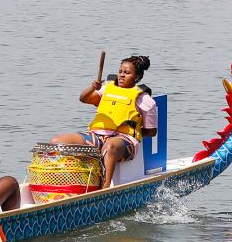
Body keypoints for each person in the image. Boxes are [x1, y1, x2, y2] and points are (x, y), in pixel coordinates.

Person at [50, 55, 158, 189]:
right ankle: (65, 185)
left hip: (124, 142)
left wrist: (130, 131)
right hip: (97, 136)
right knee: (57, 142)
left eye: (127, 73)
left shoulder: (144, 99)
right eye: (120, 71)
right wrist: (93, 87)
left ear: (137, 77)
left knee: (110, 146)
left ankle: (104, 189)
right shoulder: (106, 88)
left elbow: (151, 131)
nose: (121, 75)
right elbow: (84, 98)